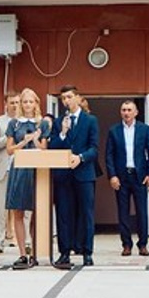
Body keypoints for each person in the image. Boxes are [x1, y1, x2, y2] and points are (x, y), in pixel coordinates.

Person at [50, 84, 99, 268]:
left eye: (69, 97)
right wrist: (62, 133)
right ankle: (64, 252)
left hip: (84, 173)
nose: (66, 101)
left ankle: (87, 252)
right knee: (64, 214)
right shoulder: (58, 122)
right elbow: (53, 147)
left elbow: (94, 148)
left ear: (78, 98)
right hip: (63, 175)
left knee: (86, 213)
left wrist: (81, 158)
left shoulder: (90, 120)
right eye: (63, 98)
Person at [105, 99, 149, 257]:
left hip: (139, 176)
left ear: (136, 112)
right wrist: (112, 175)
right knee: (123, 212)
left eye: (129, 110)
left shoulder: (144, 129)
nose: (126, 113)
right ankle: (126, 244)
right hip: (121, 176)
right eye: (123, 110)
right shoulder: (114, 130)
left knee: (142, 211)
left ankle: (142, 244)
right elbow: (109, 155)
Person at [5, 88, 49, 269]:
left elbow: (44, 149)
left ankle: (37, 250)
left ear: (36, 104)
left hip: (36, 169)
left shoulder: (42, 123)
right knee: (18, 210)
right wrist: (23, 142)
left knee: (37, 210)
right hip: (19, 167)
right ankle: (22, 253)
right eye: (25, 102)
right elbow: (9, 149)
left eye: (31, 101)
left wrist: (37, 139)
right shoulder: (14, 123)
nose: (28, 105)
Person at [0, 92, 20, 256]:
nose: (15, 105)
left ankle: (25, 241)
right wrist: (7, 137)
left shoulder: (24, 121)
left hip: (20, 167)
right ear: (6, 104)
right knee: (0, 208)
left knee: (23, 208)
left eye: (17, 102)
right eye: (12, 102)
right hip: (2, 168)